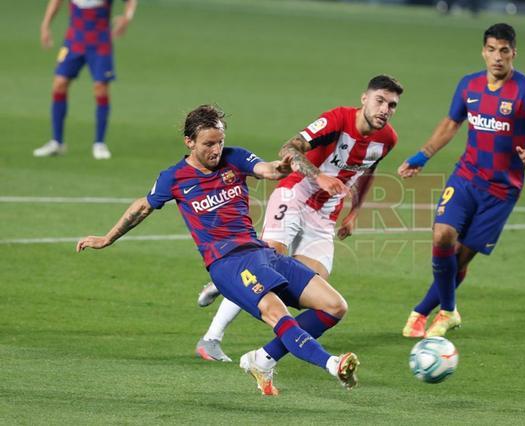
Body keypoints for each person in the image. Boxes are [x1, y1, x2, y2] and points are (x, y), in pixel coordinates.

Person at [76, 105, 360, 396]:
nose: (216, 150)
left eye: (220, 142)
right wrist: (107, 238)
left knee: (335, 306)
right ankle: (332, 364)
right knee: (277, 314)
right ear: (189, 142)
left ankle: (262, 360)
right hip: (228, 263)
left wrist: (285, 167)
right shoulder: (174, 178)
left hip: (261, 252)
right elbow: (142, 206)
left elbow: (268, 169)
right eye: (208, 144)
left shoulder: (234, 158)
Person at [193, 75, 404, 363]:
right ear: (364, 98)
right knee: (265, 269)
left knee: (316, 292)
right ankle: (211, 339)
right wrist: (319, 176)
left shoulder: (387, 139)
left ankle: (264, 357)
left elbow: (368, 171)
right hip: (294, 195)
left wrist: (355, 211)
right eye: (380, 101)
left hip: (324, 217)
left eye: (391, 105)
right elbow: (288, 149)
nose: (384, 110)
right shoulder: (336, 119)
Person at [398, 23, 525, 338]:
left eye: (503, 51)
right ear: (483, 51)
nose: (497, 57)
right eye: (491, 50)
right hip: (466, 177)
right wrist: (422, 156)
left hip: (501, 191)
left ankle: (429, 310)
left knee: (460, 258)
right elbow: (450, 123)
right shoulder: (469, 85)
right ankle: (443, 311)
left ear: (513, 53)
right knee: (442, 236)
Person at [33, 0, 138, 160]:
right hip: (74, 40)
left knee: (100, 88)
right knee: (59, 83)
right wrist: (45, 25)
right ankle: (57, 142)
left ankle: (99, 143)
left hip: (100, 42)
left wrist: (127, 18)